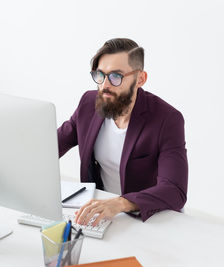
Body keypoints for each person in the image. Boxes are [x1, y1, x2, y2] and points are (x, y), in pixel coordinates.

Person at [57, 38, 188, 226]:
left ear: (140, 79)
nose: (105, 85)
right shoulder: (89, 103)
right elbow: (53, 144)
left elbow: (175, 190)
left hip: (150, 217)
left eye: (116, 76)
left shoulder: (167, 119)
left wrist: (120, 203)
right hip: (102, 213)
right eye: (100, 75)